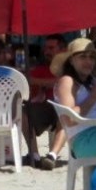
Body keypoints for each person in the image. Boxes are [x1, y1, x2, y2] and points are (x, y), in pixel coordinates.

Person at [48, 38, 96, 170]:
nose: (89, 61)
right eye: (83, 57)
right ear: (71, 60)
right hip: (84, 140)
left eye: (92, 57)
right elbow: (69, 119)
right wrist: (94, 97)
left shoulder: (92, 84)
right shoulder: (67, 81)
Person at [22, 35, 66, 169]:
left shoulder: (69, 67)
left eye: (51, 48)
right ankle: (34, 154)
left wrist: (36, 81)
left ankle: (52, 155)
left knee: (66, 111)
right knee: (23, 112)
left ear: (62, 50)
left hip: (63, 105)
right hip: (45, 107)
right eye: (45, 48)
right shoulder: (40, 68)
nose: (47, 51)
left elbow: (60, 82)